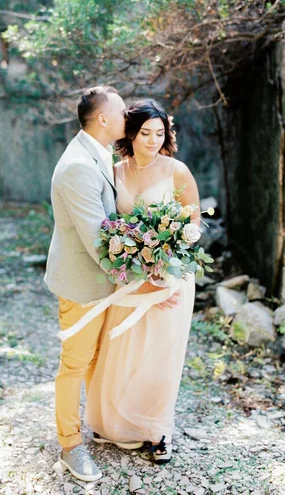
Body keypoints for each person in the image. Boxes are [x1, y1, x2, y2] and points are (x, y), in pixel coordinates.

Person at [85, 98, 200, 464]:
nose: (153, 140)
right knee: (123, 349)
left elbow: (193, 227)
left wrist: (166, 269)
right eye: (145, 133)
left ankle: (156, 432)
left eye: (160, 133)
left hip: (171, 276)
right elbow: (108, 227)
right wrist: (133, 260)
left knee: (161, 353)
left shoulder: (177, 170)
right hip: (129, 277)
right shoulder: (114, 171)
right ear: (130, 133)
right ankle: (114, 425)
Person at [44, 85, 128, 482]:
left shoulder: (99, 152)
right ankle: (70, 446)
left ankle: (99, 426)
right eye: (122, 111)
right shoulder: (78, 165)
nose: (127, 117)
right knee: (74, 365)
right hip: (82, 283)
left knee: (96, 359)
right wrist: (145, 270)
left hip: (100, 281)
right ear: (104, 119)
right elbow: (99, 239)